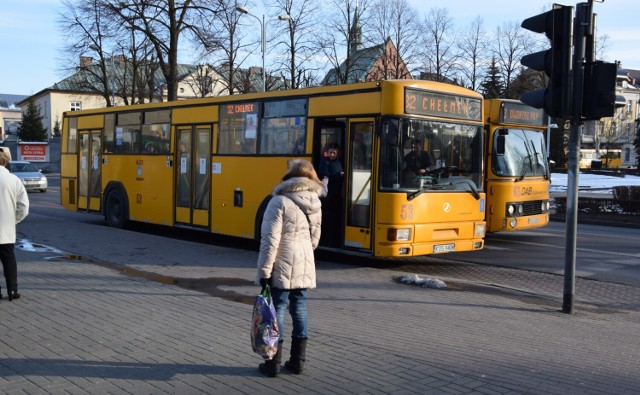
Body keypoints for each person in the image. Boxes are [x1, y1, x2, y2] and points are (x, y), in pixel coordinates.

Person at [256, 159, 323, 378]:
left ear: (290, 176)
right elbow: (314, 241)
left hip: (282, 264)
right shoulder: (315, 201)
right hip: (305, 263)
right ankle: (297, 362)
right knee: (300, 308)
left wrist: (264, 272)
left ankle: (273, 363)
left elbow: (270, 241)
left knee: (279, 311)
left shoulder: (279, 201)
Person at [0, 150, 29, 301]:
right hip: (6, 230)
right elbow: (24, 207)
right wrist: (13, 220)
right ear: (6, 161)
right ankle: (12, 291)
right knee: (9, 260)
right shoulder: (14, 180)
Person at [317, 142, 344, 246]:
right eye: (330, 152)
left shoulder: (339, 162)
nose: (332, 155)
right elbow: (323, 174)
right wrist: (338, 175)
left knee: (336, 216)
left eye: (334, 153)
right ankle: (327, 240)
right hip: (328, 194)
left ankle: (334, 239)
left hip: (337, 193)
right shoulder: (325, 162)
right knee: (328, 217)